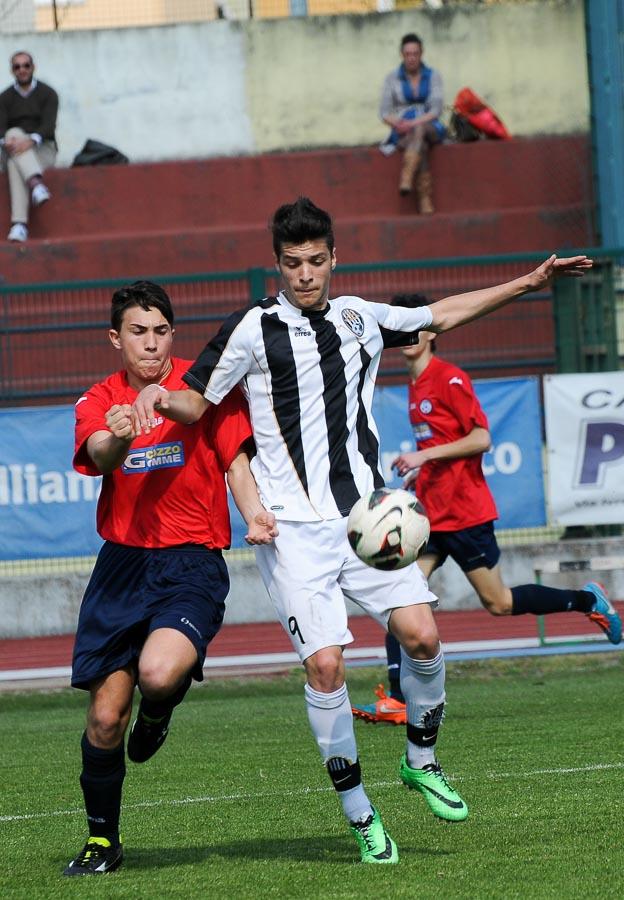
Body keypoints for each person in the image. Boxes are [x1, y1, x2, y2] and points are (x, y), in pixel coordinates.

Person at [131, 197, 592, 865]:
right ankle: (359, 812)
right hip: (291, 533)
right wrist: (158, 397)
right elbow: (197, 399)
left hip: (365, 518)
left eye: (316, 261)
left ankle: (422, 761)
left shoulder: (360, 319)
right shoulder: (253, 329)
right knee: (326, 667)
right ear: (278, 264)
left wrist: (529, 282)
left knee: (423, 634)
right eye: (292, 264)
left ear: (334, 258)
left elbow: (442, 315)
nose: (305, 274)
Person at [64, 280, 276, 877]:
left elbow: (235, 460)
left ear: (171, 335)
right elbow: (100, 452)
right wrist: (119, 435)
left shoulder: (203, 385)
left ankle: (159, 710)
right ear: (116, 338)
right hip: (122, 567)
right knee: (106, 718)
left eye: (160, 331)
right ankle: (103, 841)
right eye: (138, 332)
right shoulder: (99, 398)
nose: (150, 344)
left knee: (157, 674)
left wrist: (255, 512)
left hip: (191, 562)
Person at [353, 293, 622, 726]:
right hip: (432, 515)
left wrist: (425, 457)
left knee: (498, 603)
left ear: (431, 332)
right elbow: (440, 448)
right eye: (397, 331)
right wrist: (420, 475)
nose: (405, 338)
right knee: (400, 596)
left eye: (413, 329)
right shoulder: (415, 383)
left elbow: (481, 438)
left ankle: (585, 598)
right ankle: (400, 698)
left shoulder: (448, 378)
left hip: (466, 513)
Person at [379, 33, 445, 209]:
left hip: (430, 126)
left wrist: (414, 123)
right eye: (408, 54)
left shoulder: (433, 76)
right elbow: (384, 113)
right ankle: (425, 200)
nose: (411, 58)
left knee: (420, 129)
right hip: (403, 130)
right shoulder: (392, 78)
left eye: (415, 53)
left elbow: (436, 110)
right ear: (402, 55)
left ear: (421, 53)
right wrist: (398, 123)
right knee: (420, 144)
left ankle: (406, 176)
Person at [0, 51, 57, 243]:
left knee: (15, 165)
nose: (22, 70)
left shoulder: (48, 94)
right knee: (13, 133)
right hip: (14, 148)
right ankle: (36, 185)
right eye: (17, 67)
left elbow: (49, 126)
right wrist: (7, 141)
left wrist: (30, 141)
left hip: (43, 150)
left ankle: (19, 225)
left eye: (26, 65)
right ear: (12, 71)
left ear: (33, 67)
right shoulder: (4, 98)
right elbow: (1, 130)